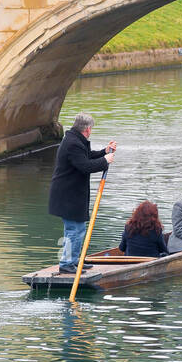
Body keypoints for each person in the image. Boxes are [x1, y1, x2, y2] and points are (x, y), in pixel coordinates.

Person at [48, 113, 116, 274]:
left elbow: (86, 157)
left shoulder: (75, 140)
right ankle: (67, 263)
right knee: (74, 229)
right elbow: (85, 166)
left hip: (72, 195)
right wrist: (105, 160)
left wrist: (104, 152)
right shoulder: (73, 143)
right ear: (87, 129)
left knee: (77, 229)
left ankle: (74, 260)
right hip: (68, 196)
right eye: (91, 128)